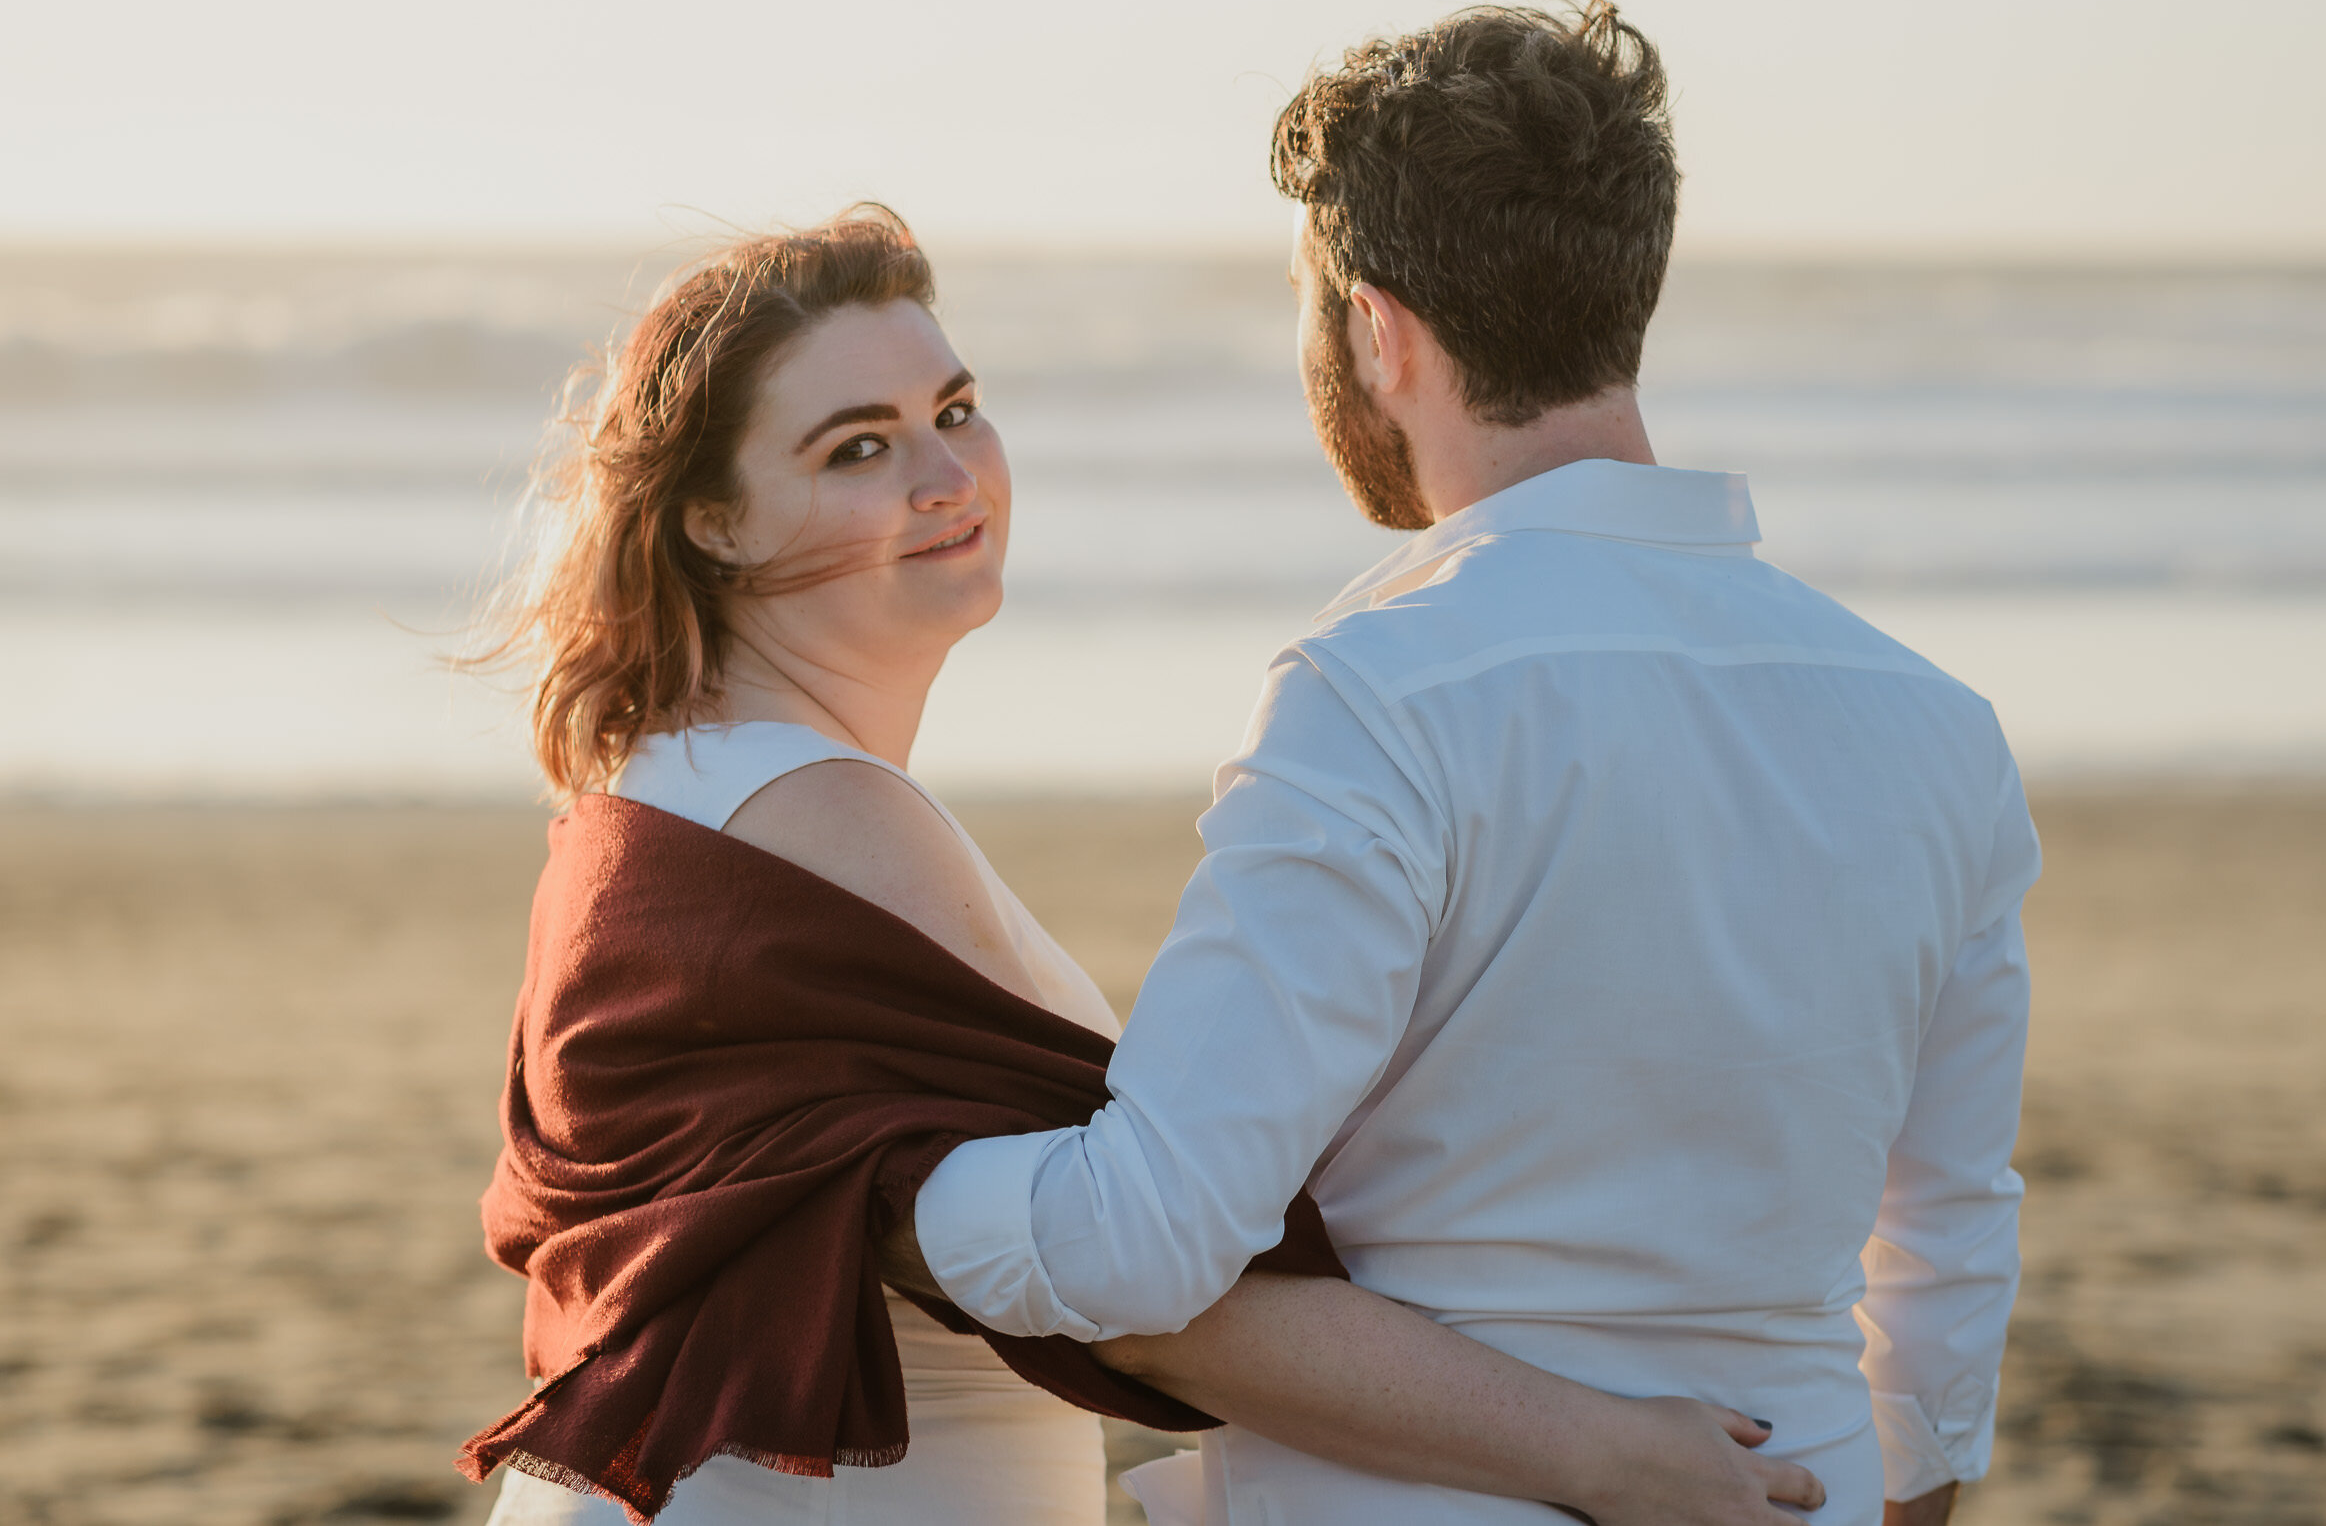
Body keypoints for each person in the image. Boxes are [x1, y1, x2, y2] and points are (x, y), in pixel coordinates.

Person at [465, 205, 1825, 1525]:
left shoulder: (672, 787)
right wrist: (1610, 1455)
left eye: (953, 411)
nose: (947, 478)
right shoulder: (817, 818)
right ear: (713, 521)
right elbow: (1152, 1301)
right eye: (855, 450)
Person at [897, 0, 2036, 1526]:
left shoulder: (1380, 696)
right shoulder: (1938, 728)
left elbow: (1145, 1239)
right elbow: (1948, 1245)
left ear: (1376, 329)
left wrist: (879, 1187)